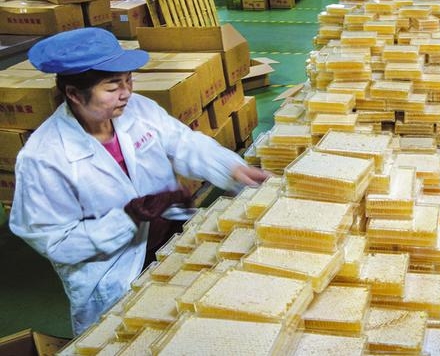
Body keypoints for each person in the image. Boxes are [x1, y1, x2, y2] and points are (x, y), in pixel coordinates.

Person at [9, 28, 271, 336]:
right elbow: (56, 241)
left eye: (128, 80)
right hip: (116, 270)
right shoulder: (43, 157)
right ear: (74, 94)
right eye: (112, 87)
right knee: (135, 338)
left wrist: (233, 169)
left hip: (171, 239)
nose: (126, 93)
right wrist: (128, 219)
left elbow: (184, 143)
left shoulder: (138, 110)